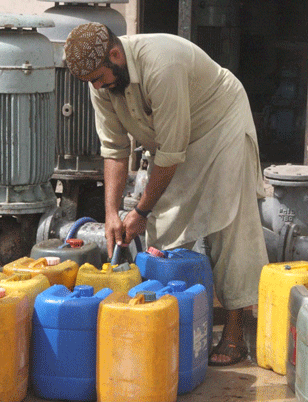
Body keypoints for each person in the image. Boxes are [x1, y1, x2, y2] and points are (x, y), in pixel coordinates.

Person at [64, 22, 269, 366]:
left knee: (228, 223)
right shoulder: (99, 81)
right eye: (92, 82)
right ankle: (170, 322)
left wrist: (140, 211)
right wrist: (112, 212)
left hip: (220, 125)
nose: (97, 86)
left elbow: (171, 153)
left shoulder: (162, 63)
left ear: (115, 55)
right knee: (164, 235)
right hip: (170, 143)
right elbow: (114, 149)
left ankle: (236, 330)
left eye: (99, 77)